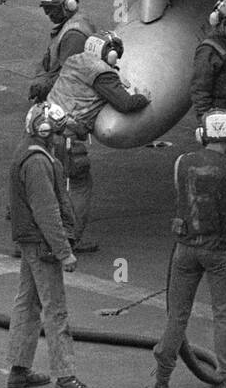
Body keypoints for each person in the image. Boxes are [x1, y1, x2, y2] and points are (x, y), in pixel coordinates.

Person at [144, 109, 226, 388]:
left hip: (185, 249)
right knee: (223, 317)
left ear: (202, 135)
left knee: (177, 317)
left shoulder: (181, 162)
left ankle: (160, 383)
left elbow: (181, 195)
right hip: (220, 252)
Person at [6, 102, 103, 388]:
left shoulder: (29, 152)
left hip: (30, 242)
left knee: (27, 303)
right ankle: (66, 377)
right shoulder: (38, 162)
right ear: (48, 132)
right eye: (58, 133)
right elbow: (46, 211)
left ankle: (19, 369)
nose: (61, 139)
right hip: (43, 244)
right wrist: (64, 252)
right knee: (56, 311)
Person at [46, 31, 150, 251]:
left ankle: (38, 238)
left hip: (42, 131)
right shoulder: (102, 73)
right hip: (66, 137)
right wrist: (143, 98)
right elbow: (125, 103)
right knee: (78, 185)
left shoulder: (75, 60)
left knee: (46, 184)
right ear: (109, 53)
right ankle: (69, 240)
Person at [28, 0, 96, 103]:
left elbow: (69, 75)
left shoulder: (74, 35)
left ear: (68, 6)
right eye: (46, 10)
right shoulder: (73, 21)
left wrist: (43, 89)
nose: (49, 14)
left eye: (52, 9)